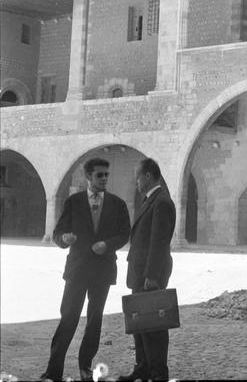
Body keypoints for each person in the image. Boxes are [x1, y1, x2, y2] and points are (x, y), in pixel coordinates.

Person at [40, 158, 131, 382]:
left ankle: (85, 367)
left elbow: (124, 233)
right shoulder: (73, 202)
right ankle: (53, 371)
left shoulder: (117, 204)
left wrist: (107, 245)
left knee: (95, 320)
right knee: (69, 317)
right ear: (88, 176)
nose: (104, 179)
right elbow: (58, 232)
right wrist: (64, 238)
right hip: (78, 270)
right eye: (99, 175)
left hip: (102, 271)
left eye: (106, 175)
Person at [118, 158, 176, 382]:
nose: (136, 182)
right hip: (140, 273)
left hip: (149, 275)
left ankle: (158, 372)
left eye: (138, 177)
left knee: (154, 325)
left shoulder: (160, 202)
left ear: (148, 176)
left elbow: (159, 242)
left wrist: (152, 276)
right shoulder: (150, 200)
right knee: (140, 322)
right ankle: (142, 367)